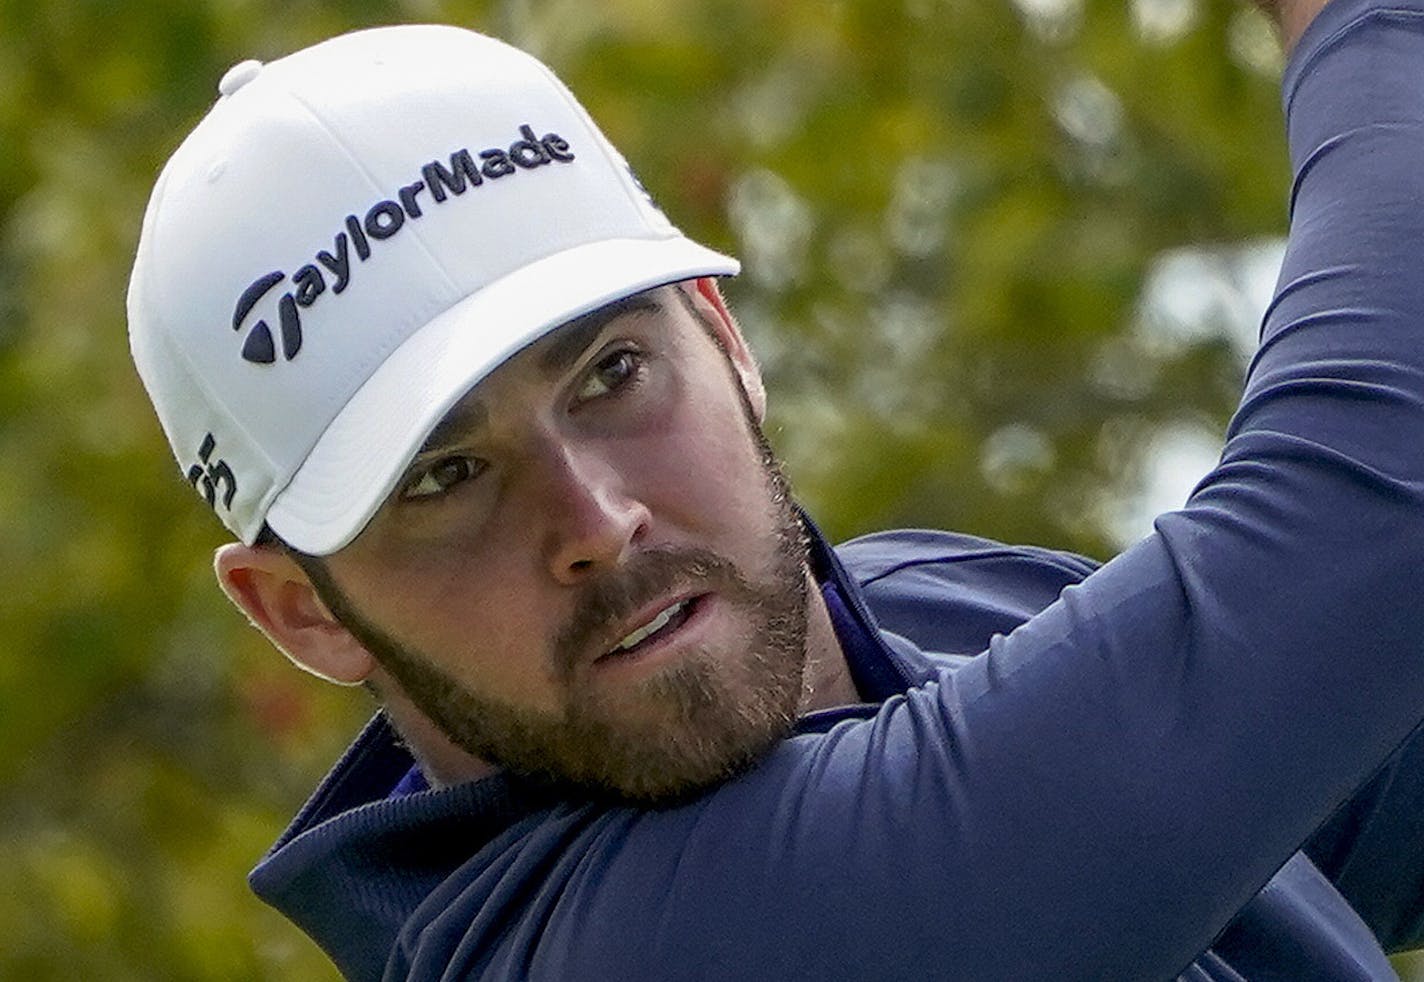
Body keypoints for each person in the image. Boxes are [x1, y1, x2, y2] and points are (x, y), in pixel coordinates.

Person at [124, 0, 1424, 976]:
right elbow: (1359, 513)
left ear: (723, 336)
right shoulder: (634, 946)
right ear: (303, 609)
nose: (595, 521)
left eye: (611, 372)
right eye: (447, 477)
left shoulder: (949, 607)